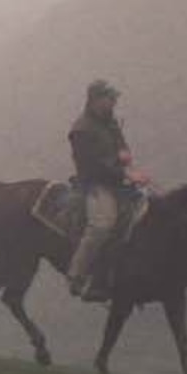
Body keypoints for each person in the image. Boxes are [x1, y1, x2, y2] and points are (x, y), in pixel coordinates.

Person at [64, 76, 145, 299]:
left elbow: (121, 146)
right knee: (101, 225)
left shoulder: (110, 122)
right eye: (110, 99)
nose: (113, 103)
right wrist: (126, 172)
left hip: (119, 182)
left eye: (113, 99)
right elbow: (93, 166)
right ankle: (77, 274)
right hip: (95, 184)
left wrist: (125, 155)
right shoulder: (81, 130)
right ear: (95, 100)